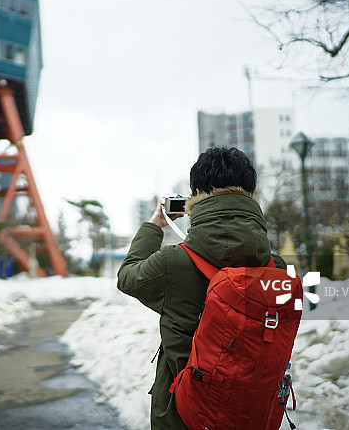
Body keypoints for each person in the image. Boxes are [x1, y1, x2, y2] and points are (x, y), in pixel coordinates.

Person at [117, 145, 287, 430]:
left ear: (196, 193)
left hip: (184, 414)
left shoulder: (174, 263)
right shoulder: (276, 268)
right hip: (250, 412)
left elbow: (127, 276)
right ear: (250, 193)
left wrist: (155, 225)